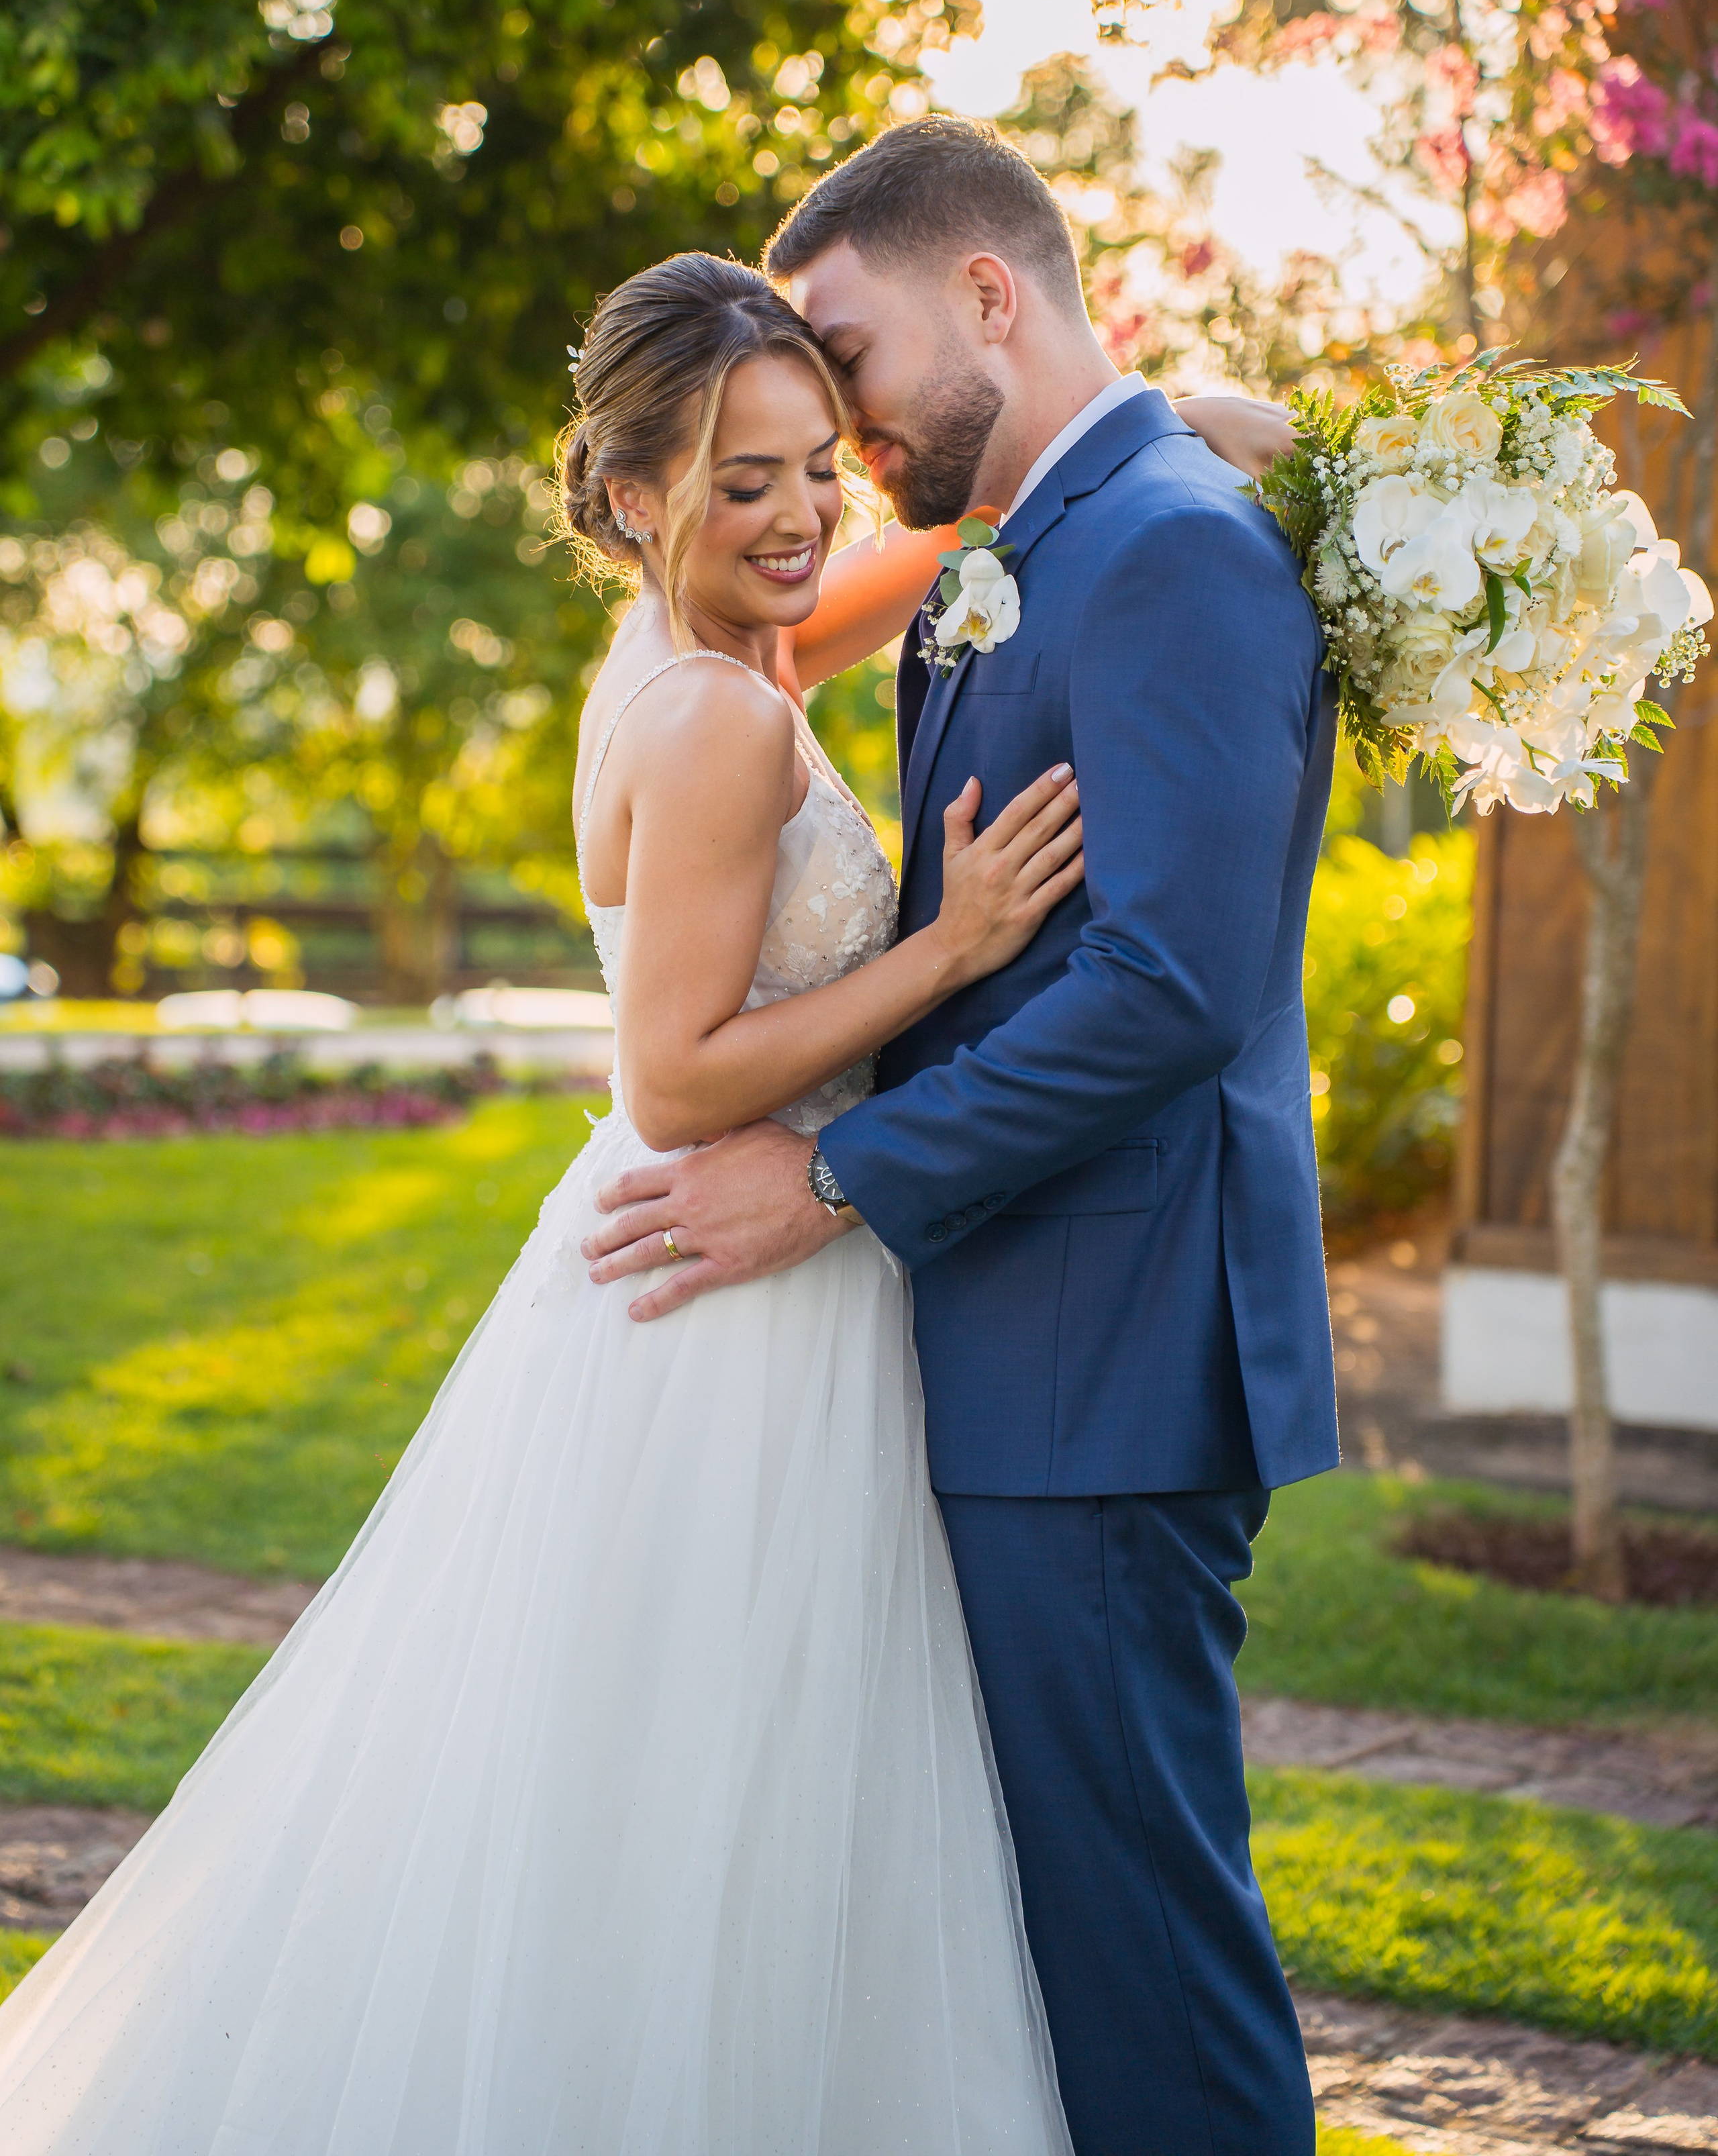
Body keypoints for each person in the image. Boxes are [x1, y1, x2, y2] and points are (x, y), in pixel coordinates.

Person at [0, 244, 1274, 2155]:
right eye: (741, 480)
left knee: (671, 1785)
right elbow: (670, 1075)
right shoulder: (718, 720)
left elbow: (948, 558)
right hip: (736, 1285)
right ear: (627, 496)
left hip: (734, 1272)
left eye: (810, 464)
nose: (795, 515)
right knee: (720, 1792)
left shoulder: (719, 650)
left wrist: (1158, 424)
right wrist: (950, 951)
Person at [582, 118, 1340, 2156]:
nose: (838, 438)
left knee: (1141, 1949)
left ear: (988, 296)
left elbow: (1173, 988)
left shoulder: (1166, 540)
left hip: (1105, 1359)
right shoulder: (1042, 538)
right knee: (1038, 1939)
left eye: (849, 369)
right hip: (1007, 1347)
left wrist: (835, 1174)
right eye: (772, 445)